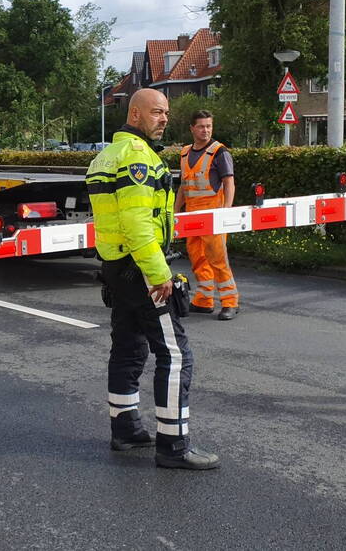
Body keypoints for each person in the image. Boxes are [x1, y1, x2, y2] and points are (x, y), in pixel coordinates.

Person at [86, 88, 220, 469]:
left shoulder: (106, 155)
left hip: (117, 268)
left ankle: (125, 428)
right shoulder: (137, 158)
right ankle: (174, 445)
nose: (164, 119)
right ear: (135, 114)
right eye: (157, 112)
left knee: (128, 347)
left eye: (166, 113)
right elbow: (137, 223)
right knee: (176, 355)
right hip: (142, 269)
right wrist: (160, 273)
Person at [175, 110, 239, 320]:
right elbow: (184, 186)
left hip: (213, 216)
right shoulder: (184, 153)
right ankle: (203, 301)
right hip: (192, 216)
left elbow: (229, 182)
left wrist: (226, 211)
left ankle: (230, 303)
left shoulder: (220, 152)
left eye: (209, 126)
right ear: (192, 128)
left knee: (218, 259)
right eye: (201, 126)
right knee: (197, 258)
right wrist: (176, 211)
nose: (206, 130)